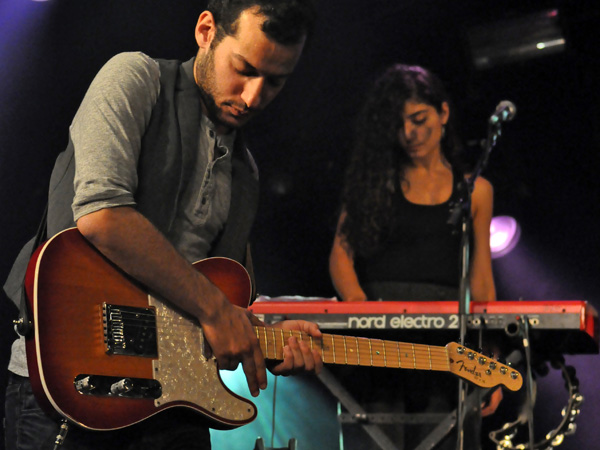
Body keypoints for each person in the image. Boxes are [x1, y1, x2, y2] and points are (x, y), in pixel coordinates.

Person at [2, 1, 322, 449]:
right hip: (73, 389)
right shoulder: (134, 77)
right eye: (244, 69)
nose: (253, 96)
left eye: (275, 81)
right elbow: (102, 213)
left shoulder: (246, 171)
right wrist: (214, 309)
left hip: (174, 407)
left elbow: (220, 289)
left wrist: (264, 336)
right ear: (206, 30)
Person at [328, 64, 500, 449]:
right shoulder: (374, 183)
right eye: (398, 124)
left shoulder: (477, 191)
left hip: (447, 343)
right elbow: (341, 255)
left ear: (443, 113)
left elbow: (481, 279)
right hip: (380, 341)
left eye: (419, 120)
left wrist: (490, 358)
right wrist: (362, 312)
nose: (409, 133)